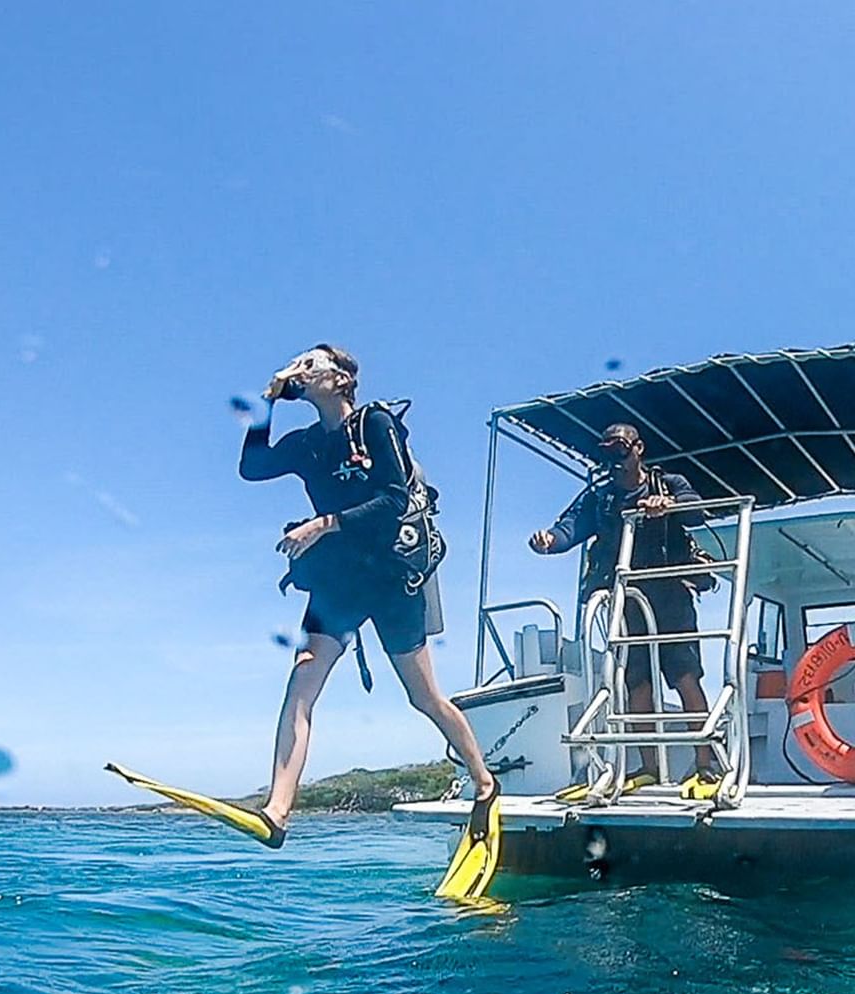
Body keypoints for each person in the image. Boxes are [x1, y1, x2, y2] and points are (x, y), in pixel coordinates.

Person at [108, 344, 499, 883]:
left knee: (422, 695)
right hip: (339, 581)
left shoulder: (375, 423)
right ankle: (278, 813)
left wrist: (322, 524)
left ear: (340, 378)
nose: (301, 367)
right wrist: (267, 401)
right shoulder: (308, 444)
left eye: (311, 362)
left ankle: (483, 780)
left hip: (390, 576)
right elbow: (252, 467)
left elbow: (391, 497)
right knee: (301, 685)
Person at [529, 422, 720, 801]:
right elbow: (568, 528)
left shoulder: (670, 484)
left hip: (670, 596)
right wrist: (548, 541)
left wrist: (670, 506)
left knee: (685, 679)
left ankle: (706, 764)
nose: (613, 461)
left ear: (639, 450)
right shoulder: (599, 498)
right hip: (626, 601)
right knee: (636, 686)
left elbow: (698, 515)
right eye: (606, 452)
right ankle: (649, 768)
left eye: (620, 450)